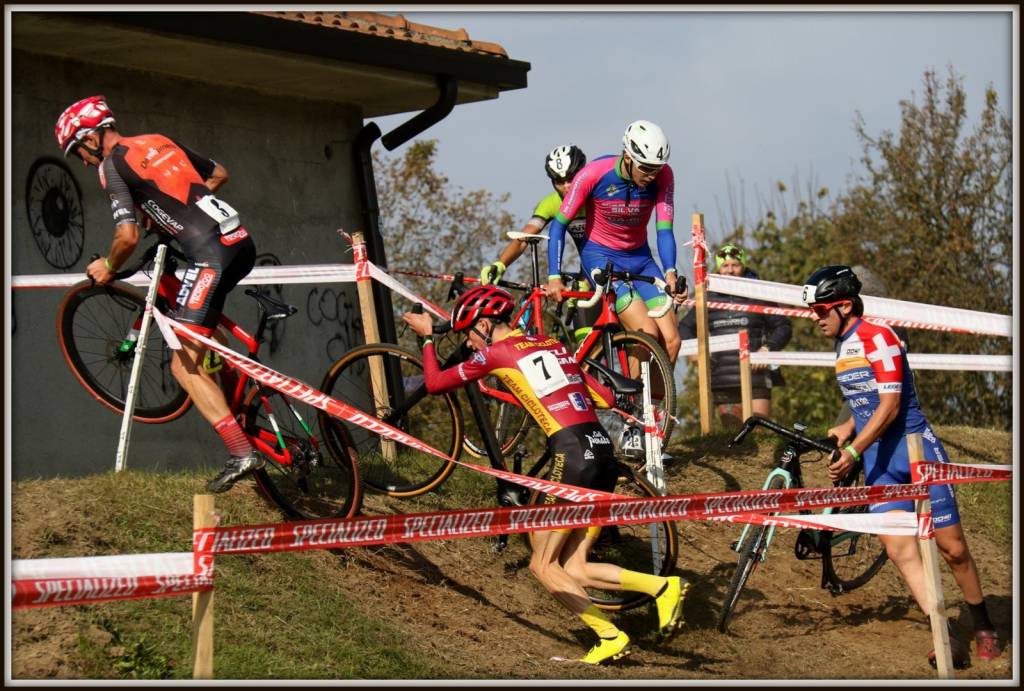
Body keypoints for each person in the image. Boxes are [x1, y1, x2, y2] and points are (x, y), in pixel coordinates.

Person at [403, 285, 687, 665]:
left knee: (541, 564)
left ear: (486, 325)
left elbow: (436, 384)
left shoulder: (496, 352)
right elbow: (602, 397)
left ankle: (609, 634)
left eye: (469, 333)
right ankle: (662, 587)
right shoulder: (551, 343)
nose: (469, 343)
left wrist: (426, 339)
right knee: (574, 566)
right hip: (602, 452)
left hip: (571, 454)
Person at [56, 95, 260, 493]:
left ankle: (240, 451)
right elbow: (218, 174)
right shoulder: (157, 139)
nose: (82, 161)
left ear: (92, 138)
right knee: (201, 327)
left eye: (78, 150)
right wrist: (171, 217)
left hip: (210, 258)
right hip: (240, 241)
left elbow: (126, 236)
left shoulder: (112, 165)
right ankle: (235, 383)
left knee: (183, 367)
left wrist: (109, 267)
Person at [803, 265, 1000, 668]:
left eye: (822, 309)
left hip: (916, 453)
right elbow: (867, 404)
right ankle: (942, 631)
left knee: (952, 549)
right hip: (879, 459)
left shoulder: (880, 337)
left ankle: (983, 625)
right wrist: (845, 428)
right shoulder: (842, 346)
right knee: (898, 548)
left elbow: (891, 406)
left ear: (844, 305)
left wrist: (854, 452)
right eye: (814, 311)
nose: (816, 317)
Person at [545, 121, 685, 364]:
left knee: (672, 341)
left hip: (640, 259)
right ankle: (633, 400)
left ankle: (656, 402)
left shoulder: (663, 176)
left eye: (657, 168)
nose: (652, 175)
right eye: (647, 168)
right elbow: (558, 226)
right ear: (628, 157)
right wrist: (554, 276)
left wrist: (670, 272)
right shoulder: (594, 174)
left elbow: (664, 229)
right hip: (601, 258)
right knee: (647, 333)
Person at [480, 145, 597, 343]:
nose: (567, 186)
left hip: (612, 268)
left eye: (572, 178)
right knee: (587, 348)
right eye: (560, 181)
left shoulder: (598, 196)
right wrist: (500, 264)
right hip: (587, 275)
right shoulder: (551, 203)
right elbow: (524, 237)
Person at [677, 243, 792, 427]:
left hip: (757, 375)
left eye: (735, 265)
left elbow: (783, 326)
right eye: (725, 265)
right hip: (722, 377)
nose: (730, 270)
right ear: (719, 269)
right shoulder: (708, 297)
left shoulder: (759, 293)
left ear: (743, 266)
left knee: (758, 428)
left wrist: (767, 348)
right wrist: (693, 351)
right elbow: (684, 326)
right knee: (733, 435)